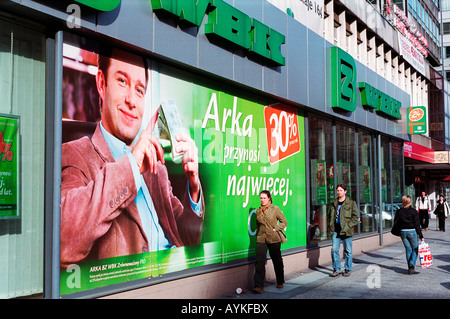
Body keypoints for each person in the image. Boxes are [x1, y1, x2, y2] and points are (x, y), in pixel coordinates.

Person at [60, 47, 204, 268]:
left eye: (139, 90)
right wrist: (133, 165)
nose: (131, 101)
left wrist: (193, 186)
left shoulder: (156, 166)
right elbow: (64, 239)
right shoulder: (76, 153)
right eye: (121, 81)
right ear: (101, 84)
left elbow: (187, 237)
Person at [253, 190, 287, 293]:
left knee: (277, 260)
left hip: (273, 238)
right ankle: (258, 286)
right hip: (261, 238)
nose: (262, 200)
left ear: (269, 198)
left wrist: (276, 228)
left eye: (264, 198)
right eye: (261, 198)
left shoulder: (275, 209)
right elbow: (258, 226)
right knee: (259, 262)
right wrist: (258, 236)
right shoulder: (258, 211)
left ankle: (280, 281)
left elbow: (284, 222)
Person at [327, 184, 359, 277]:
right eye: (337, 190)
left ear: (345, 191)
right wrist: (330, 226)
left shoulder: (351, 203)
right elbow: (330, 216)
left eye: (341, 190)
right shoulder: (334, 203)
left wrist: (348, 226)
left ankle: (347, 269)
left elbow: (355, 217)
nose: (339, 192)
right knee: (334, 250)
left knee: (348, 251)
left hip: (346, 230)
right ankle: (336, 269)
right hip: (336, 230)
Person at [394, 195, 424, 274]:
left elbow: (396, 223)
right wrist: (421, 236)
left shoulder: (398, 211)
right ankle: (412, 263)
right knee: (415, 248)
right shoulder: (413, 211)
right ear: (410, 201)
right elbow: (417, 225)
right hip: (412, 231)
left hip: (403, 232)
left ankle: (409, 268)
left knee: (408, 249)